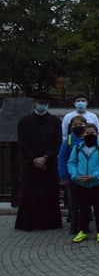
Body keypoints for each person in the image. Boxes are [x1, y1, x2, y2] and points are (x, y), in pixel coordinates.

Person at [15, 90, 63, 231]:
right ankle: (29, 223)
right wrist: (34, 159)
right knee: (30, 192)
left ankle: (48, 223)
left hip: (48, 163)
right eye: (40, 103)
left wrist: (46, 158)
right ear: (34, 103)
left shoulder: (55, 121)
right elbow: (22, 142)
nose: (43, 105)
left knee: (49, 192)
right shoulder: (24, 121)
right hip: (31, 164)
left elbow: (57, 141)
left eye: (45, 103)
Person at [68, 123, 99, 243]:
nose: (90, 135)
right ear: (83, 134)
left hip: (97, 183)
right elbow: (71, 163)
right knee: (83, 208)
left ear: (97, 134)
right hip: (81, 183)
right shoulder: (77, 148)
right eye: (87, 133)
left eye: (92, 133)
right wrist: (76, 176)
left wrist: (95, 176)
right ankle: (83, 230)